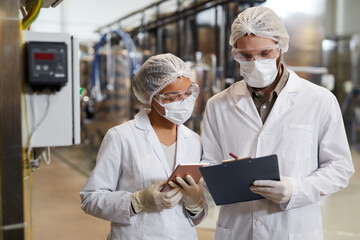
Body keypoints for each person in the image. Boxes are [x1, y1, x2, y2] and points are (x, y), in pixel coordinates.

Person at [201, 6, 355, 240]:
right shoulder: (218, 104)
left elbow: (340, 167)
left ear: (281, 48)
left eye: (264, 53)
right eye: (245, 56)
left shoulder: (319, 100)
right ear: (235, 53)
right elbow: (209, 165)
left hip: (293, 228)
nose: (255, 62)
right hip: (238, 227)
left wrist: (296, 190)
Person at [80, 53, 207, 240]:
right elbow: (90, 199)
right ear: (150, 96)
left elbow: (195, 217)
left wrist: (195, 202)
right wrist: (137, 201)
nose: (183, 101)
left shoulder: (194, 140)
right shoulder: (121, 137)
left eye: (188, 93)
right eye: (173, 97)